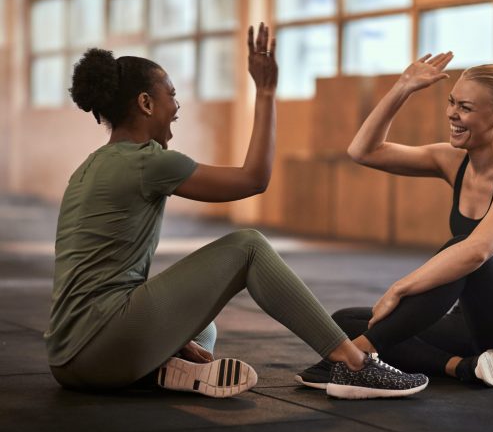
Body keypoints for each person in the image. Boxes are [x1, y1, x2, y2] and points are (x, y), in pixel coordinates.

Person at [44, 24, 428, 400]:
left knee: (202, 326)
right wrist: (265, 92)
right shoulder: (149, 162)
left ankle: (164, 369)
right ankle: (353, 363)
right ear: (146, 103)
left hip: (69, 360)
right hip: (102, 345)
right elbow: (254, 179)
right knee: (248, 246)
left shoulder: (89, 168)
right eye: (171, 95)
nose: (176, 106)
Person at [296, 53, 493, 390]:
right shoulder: (451, 160)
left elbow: (477, 252)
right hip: (469, 326)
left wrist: (399, 289)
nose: (452, 114)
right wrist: (403, 87)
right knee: (346, 322)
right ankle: (461, 367)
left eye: (466, 108)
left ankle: (354, 359)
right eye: (451, 102)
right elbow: (363, 151)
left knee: (463, 249)